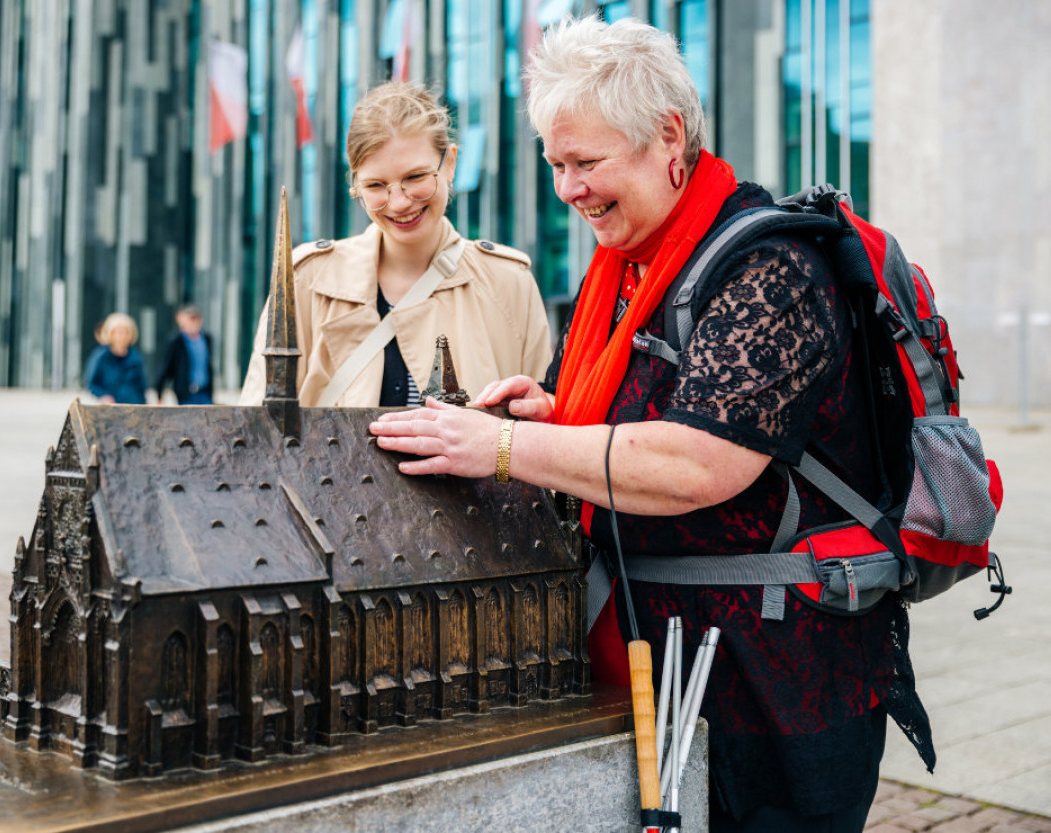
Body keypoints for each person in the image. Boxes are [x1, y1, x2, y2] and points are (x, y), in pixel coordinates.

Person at [368, 17, 933, 832]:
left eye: (587, 162)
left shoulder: (768, 269)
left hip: (772, 690)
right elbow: (636, 411)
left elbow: (700, 459)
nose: (568, 188)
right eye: (555, 164)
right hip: (660, 669)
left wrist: (502, 445)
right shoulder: (625, 265)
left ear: (668, 136)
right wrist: (553, 412)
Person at [239, 81, 552, 408]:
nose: (399, 202)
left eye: (415, 177)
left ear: (450, 164)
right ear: (356, 186)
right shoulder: (306, 278)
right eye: (376, 185)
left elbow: (534, 437)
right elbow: (258, 433)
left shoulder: (509, 283)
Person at [156, 304, 215, 405]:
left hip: (204, 392)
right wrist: (160, 393)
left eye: (196, 319)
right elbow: (166, 367)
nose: (194, 323)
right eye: (191, 320)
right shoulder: (176, 341)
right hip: (186, 393)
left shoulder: (206, 339)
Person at [84, 312, 148, 404]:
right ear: (111, 334)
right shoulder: (101, 357)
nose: (123, 337)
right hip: (111, 409)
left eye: (126, 332)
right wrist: (103, 396)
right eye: (119, 333)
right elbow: (91, 384)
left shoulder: (135, 357)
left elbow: (141, 387)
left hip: (133, 407)